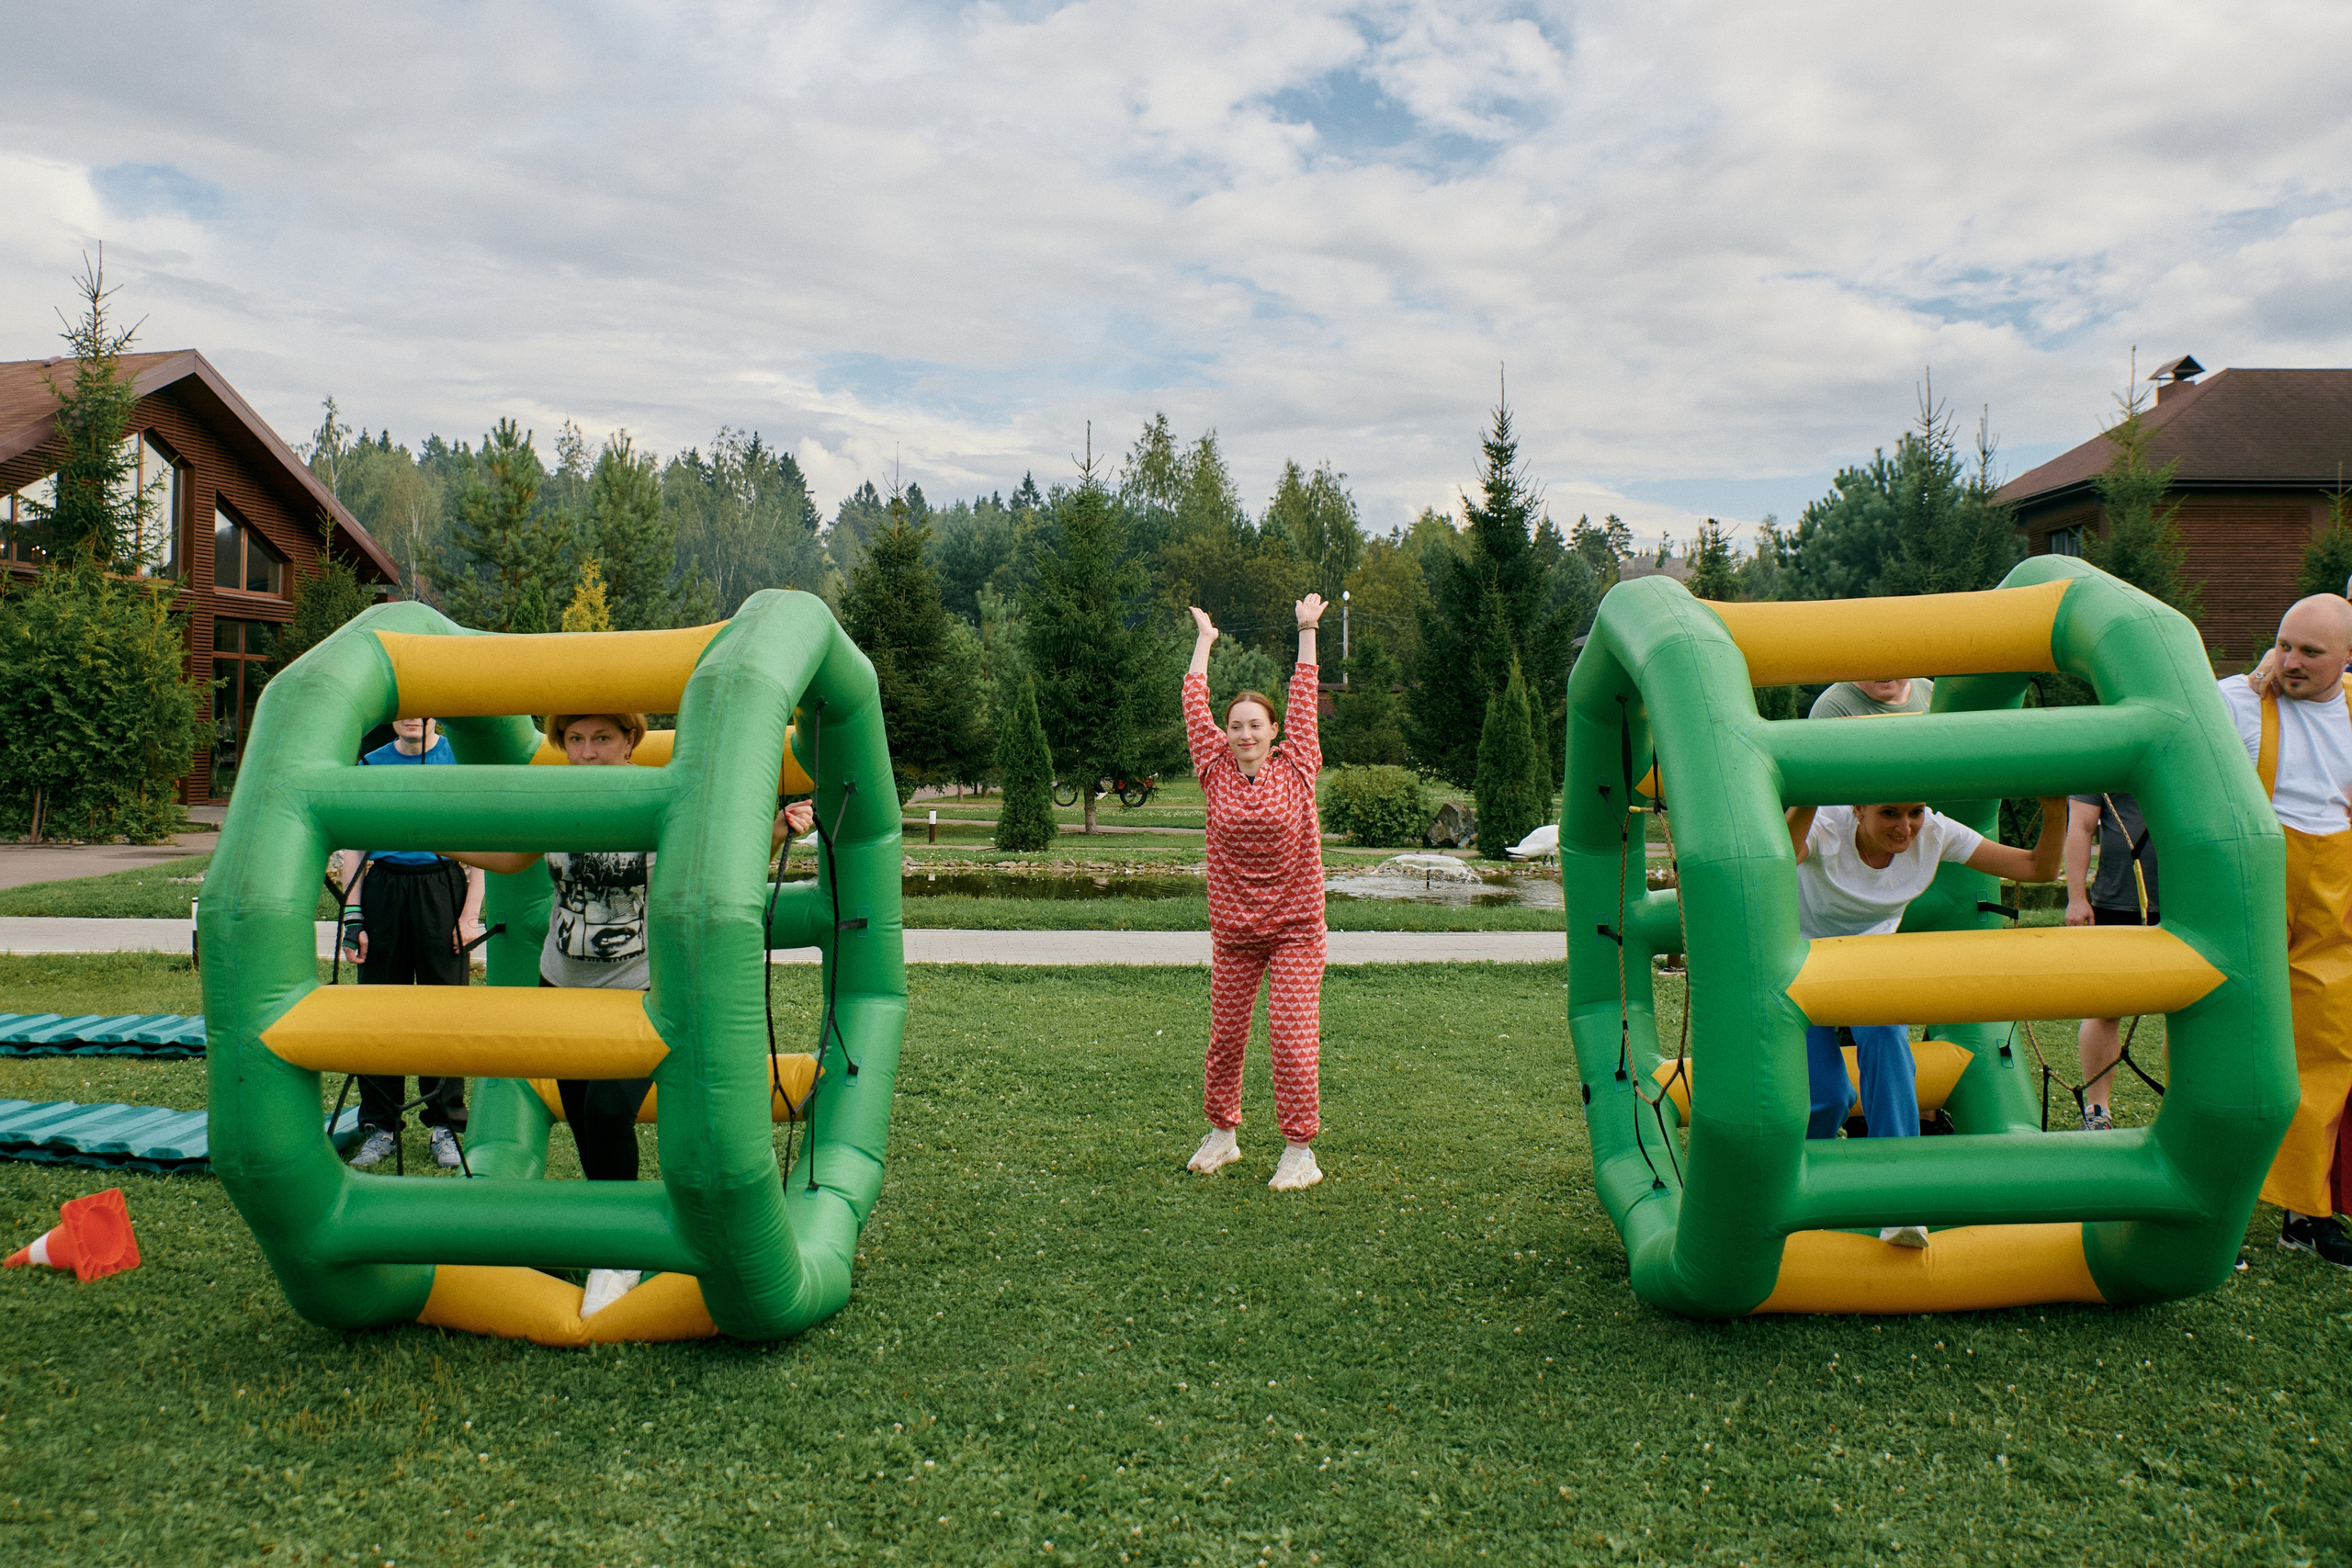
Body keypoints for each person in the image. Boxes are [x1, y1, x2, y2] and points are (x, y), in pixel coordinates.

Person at [443, 712, 814, 1314]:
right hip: (560, 985)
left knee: (612, 1106)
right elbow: (511, 857)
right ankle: (612, 1231)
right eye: (575, 739)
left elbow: (712, 848)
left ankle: (620, 1252)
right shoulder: (558, 800)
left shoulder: (654, 796)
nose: (587, 752)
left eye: (602, 738)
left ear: (629, 742)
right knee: (586, 1116)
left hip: (638, 987)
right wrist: (422, 831)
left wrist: (776, 827)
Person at [1785, 796, 2066, 1247]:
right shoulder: (1826, 826)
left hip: (1867, 962)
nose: (1906, 827)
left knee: (1887, 1040)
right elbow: (1781, 854)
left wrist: (2055, 810)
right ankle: (1797, 1189)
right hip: (1800, 961)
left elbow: (2039, 868)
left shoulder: (1935, 832)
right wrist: (1809, 790)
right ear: (1858, 809)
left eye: (1914, 811)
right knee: (1828, 1097)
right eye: (1890, 814)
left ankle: (1901, 1200)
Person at [1182, 595, 1329, 1192]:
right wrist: (1205, 641)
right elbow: (1193, 699)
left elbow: (1306, 690)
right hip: (1236, 933)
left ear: (1273, 731)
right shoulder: (1213, 765)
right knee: (1226, 1039)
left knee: (1292, 1039)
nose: (1244, 733)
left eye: (1255, 724)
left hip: (1296, 927)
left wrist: (1308, 629)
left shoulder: (1299, 763)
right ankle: (1223, 1134)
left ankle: (1300, 1151)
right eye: (1235, 724)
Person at [2229, 594, 2352, 1267]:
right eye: (2284, 644)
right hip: (2254, 893)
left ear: (2348, 659)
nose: (2291, 661)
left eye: (2311, 651)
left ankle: (2307, 1214)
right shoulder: (2239, 699)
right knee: (2236, 1050)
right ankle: (2212, 1206)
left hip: (2335, 899)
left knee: (2327, 1056)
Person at [336, 716, 485, 1170]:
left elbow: (481, 837)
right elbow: (355, 845)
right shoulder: (370, 763)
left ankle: (444, 1123)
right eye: (402, 708)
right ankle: (380, 1127)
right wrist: (354, 917)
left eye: (421, 706)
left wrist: (468, 913)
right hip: (383, 890)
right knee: (380, 1010)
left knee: (445, 1009)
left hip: (441, 886)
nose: (411, 716)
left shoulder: (460, 759)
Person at [2062, 792, 2161, 1131]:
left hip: (2187, 900)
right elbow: (2081, 826)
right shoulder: (2103, 754)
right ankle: (2097, 1111)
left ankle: (2183, 1105)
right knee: (2105, 1007)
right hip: (2117, 903)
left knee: (2189, 1010)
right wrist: (2076, 898)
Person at [1808, 676, 1934, 720]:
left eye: (1894, 661)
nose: (1885, 672)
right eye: (1875, 663)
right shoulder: (1830, 708)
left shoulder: (1931, 692)